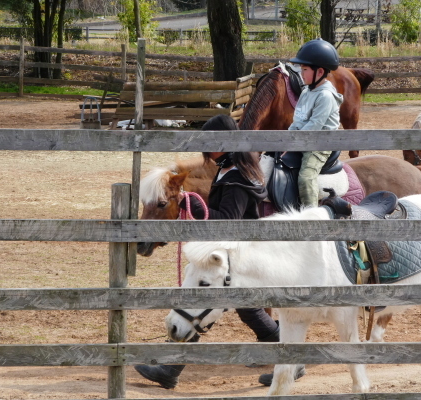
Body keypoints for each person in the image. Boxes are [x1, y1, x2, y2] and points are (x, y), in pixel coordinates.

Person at [133, 114, 305, 388]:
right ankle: (292, 359)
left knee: (202, 302)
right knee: (247, 309)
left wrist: (198, 207)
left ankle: (169, 368)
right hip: (234, 249)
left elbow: (229, 219)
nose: (206, 147)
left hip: (238, 251)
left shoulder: (237, 175)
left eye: (211, 141)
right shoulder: (230, 169)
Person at [289, 38, 344, 208]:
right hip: (303, 137)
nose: (301, 73)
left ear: (319, 72)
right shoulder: (306, 90)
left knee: (306, 176)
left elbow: (313, 127)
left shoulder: (325, 96)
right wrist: (284, 138)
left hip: (319, 143)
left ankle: (311, 214)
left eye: (304, 69)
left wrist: (293, 141)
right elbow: (297, 120)